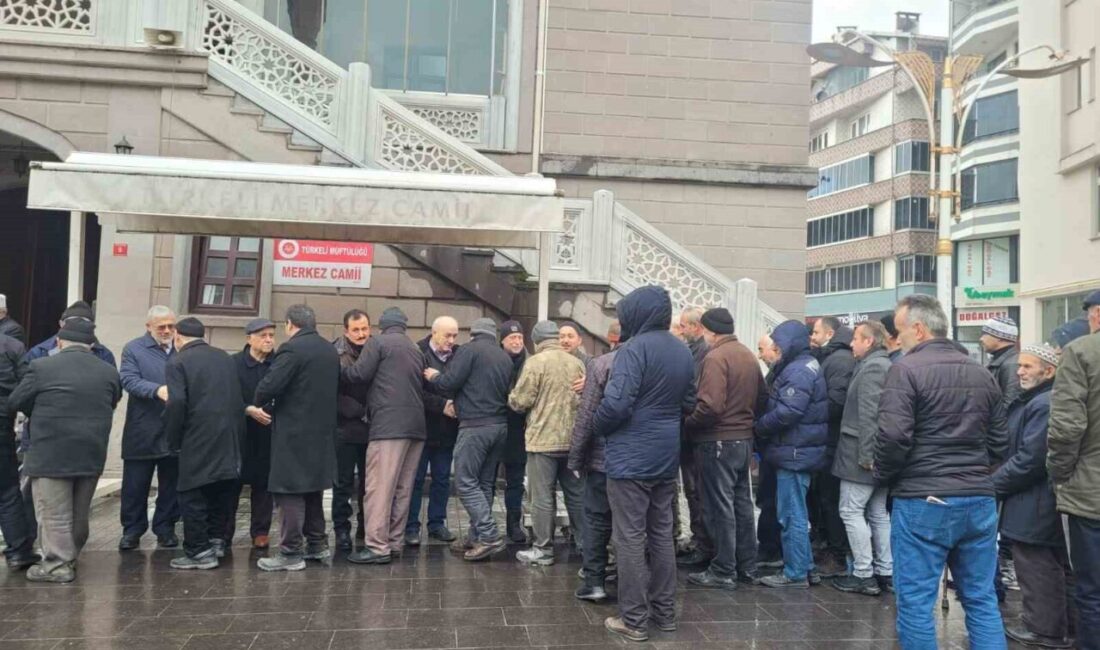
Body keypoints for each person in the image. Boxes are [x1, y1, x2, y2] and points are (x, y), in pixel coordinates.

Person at [876, 294, 1008, 648]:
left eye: (900, 331)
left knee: (916, 604)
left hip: (923, 498)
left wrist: (884, 475)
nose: (896, 339)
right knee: (981, 599)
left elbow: (892, 437)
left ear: (918, 329)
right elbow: (1001, 443)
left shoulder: (904, 371)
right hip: (978, 497)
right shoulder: (982, 372)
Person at [591, 286, 695, 642]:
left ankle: (633, 618)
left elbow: (616, 405)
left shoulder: (633, 350)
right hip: (666, 454)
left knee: (630, 537)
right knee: (662, 534)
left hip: (631, 455)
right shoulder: (682, 350)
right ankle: (664, 613)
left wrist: (597, 424)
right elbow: (689, 402)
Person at [9, 319, 121, 582]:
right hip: (91, 451)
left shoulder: (41, 367)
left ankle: (57, 565)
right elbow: (113, 401)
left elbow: (17, 400)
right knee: (80, 512)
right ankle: (70, 557)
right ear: (91, 345)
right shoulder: (108, 372)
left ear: (59, 342)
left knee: (54, 513)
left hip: (50, 452)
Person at [995, 344, 1075, 648]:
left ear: (1049, 371)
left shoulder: (1043, 403)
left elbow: (1031, 459)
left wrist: (994, 483)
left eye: (1028, 367)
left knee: (1036, 565)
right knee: (1050, 564)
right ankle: (1063, 626)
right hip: (1035, 499)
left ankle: (1045, 629)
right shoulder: (1037, 400)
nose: (1020, 372)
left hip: (1035, 500)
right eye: (1020, 366)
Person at [683, 307, 765, 590]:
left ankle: (723, 569)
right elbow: (763, 399)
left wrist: (689, 423)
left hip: (717, 440)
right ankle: (747, 566)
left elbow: (710, 405)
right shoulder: (747, 354)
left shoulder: (715, 357)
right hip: (743, 440)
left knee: (719, 507)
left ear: (709, 331)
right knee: (742, 504)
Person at [253, 305, 339, 571]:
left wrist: (260, 400)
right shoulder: (329, 349)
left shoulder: (291, 349)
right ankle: (318, 545)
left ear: (290, 324)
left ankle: (291, 552)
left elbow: (269, 386)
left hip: (293, 434)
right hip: (322, 433)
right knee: (313, 489)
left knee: (288, 491)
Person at [424, 317, 513, 561]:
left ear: (472, 334)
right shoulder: (503, 356)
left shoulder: (469, 351)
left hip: (475, 426)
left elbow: (449, 383)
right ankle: (476, 537)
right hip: (499, 427)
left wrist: (433, 376)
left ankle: (488, 534)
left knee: (465, 482)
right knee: (484, 483)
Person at [342, 307, 426, 565]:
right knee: (403, 488)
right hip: (416, 428)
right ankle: (395, 542)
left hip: (388, 427)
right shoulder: (415, 348)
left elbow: (359, 374)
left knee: (379, 488)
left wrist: (337, 371)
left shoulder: (377, 342)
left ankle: (377, 546)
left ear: (381, 326)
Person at [162, 318, 243, 570]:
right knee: (221, 489)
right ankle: (218, 540)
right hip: (229, 435)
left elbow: (176, 403)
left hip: (196, 436)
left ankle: (198, 550)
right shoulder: (224, 357)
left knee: (191, 492)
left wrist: (173, 439)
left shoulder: (177, 361)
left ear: (177, 337)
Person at [755, 320, 829, 589]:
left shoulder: (798, 371)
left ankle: (795, 573)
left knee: (791, 515)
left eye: (778, 344)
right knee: (796, 511)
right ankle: (807, 567)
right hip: (799, 449)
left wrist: (760, 427)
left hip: (794, 452)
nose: (775, 348)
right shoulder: (805, 364)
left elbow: (789, 412)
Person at [508, 320, 587, 567]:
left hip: (542, 441)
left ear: (536, 340)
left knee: (542, 496)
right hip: (573, 441)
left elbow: (521, 401)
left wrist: (510, 396)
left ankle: (542, 549)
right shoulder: (577, 362)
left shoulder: (535, 362)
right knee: (576, 495)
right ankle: (586, 545)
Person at [1048, 289, 1100, 648]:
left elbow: (1067, 428)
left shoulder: (1082, 352)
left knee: (1093, 591)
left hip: (1092, 492)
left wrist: (1060, 474)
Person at [830, 321, 892, 597]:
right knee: (877, 514)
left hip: (861, 455)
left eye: (856, 338)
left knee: (851, 511)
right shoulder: (878, 364)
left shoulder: (874, 367)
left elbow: (871, 416)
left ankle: (864, 574)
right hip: (872, 454)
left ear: (869, 342)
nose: (852, 343)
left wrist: (868, 456)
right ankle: (884, 571)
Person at [118, 305, 180, 551]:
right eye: (161, 327)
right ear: (148, 327)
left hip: (174, 428)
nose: (167, 331)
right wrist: (157, 390)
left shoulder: (182, 347)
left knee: (171, 484)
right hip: (142, 428)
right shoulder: (134, 349)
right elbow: (129, 380)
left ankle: (165, 529)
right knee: (135, 485)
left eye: (171, 326)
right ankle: (132, 531)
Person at [568, 320, 621, 602]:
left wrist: (576, 458)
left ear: (612, 338)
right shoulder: (659, 362)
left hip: (602, 460)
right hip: (638, 463)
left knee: (597, 520)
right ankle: (628, 579)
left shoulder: (601, 364)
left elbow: (586, 416)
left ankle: (595, 581)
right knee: (631, 525)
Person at [408, 316, 460, 547]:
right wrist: (442, 406)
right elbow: (414, 391)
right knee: (416, 479)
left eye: (455, 336)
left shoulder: (459, 354)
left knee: (442, 479)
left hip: (448, 430)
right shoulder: (417, 352)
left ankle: (437, 524)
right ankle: (410, 527)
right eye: (447, 335)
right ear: (434, 333)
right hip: (422, 427)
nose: (451, 340)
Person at [809, 316, 855, 578]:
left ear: (829, 333)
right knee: (824, 499)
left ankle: (836, 556)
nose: (812, 337)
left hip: (833, 442)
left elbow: (835, 401)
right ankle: (829, 548)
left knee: (830, 500)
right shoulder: (832, 357)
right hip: (827, 440)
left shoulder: (838, 360)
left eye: (816, 332)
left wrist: (810, 414)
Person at [227, 319, 277, 549]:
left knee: (264, 485)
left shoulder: (278, 363)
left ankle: (260, 531)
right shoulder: (233, 364)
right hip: (239, 433)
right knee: (231, 484)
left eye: (271, 335)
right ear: (249, 339)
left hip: (268, 433)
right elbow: (225, 395)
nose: (268, 340)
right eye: (263, 335)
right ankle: (224, 531)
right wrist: (246, 409)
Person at [333, 309, 371, 551]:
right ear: (346, 331)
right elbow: (330, 392)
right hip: (344, 428)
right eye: (356, 330)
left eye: (365, 329)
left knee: (369, 485)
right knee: (342, 483)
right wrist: (357, 410)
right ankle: (341, 530)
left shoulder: (376, 350)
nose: (361, 334)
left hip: (370, 429)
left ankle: (365, 527)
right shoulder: (334, 353)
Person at [675, 307, 710, 568]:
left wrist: (688, 420)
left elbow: (693, 394)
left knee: (697, 491)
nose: (681, 330)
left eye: (684, 326)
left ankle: (703, 544)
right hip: (690, 434)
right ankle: (699, 540)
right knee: (692, 491)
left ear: (695, 327)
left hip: (695, 434)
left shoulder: (703, 354)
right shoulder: (693, 351)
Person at [0, 331, 35, 570]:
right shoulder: (12, 346)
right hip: (2, 424)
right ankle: (18, 552)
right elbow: (26, 386)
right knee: (7, 491)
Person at [754, 333, 783, 568]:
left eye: (762, 349)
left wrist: (761, 426)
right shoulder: (774, 373)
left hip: (779, 448)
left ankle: (771, 550)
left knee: (772, 501)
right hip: (771, 448)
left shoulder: (786, 373)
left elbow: (785, 411)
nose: (760, 354)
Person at [499, 320, 529, 543]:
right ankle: (481, 527)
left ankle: (514, 525)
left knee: (515, 482)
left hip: (519, 430)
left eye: (520, 338)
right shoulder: (495, 361)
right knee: (486, 479)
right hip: (496, 424)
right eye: (512, 338)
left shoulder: (530, 363)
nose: (517, 342)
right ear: (502, 341)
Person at [981, 315, 1022, 418]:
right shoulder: (999, 361)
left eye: (985, 334)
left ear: (999, 337)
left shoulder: (1011, 364)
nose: (981, 339)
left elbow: (1010, 404)